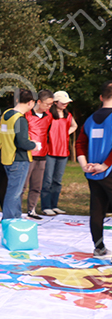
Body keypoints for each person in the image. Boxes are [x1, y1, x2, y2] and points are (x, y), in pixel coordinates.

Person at [74, 81, 112, 259]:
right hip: (107, 170)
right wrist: (105, 164)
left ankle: (99, 248)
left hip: (92, 172)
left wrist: (84, 165)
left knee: (97, 210)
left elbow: (80, 143)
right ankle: (99, 248)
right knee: (98, 210)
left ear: (100, 97)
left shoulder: (90, 119)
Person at [0, 89, 40, 221]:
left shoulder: (5, 115)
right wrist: (35, 145)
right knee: (15, 193)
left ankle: (13, 218)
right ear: (31, 102)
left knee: (13, 190)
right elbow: (22, 142)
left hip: (6, 156)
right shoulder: (20, 119)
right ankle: (11, 220)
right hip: (18, 159)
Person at [42, 90, 78, 215]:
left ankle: (54, 205)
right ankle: (46, 206)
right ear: (55, 102)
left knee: (57, 180)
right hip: (50, 150)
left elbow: (74, 126)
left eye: (66, 102)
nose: (65, 104)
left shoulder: (68, 115)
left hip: (63, 151)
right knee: (47, 180)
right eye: (63, 102)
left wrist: (65, 134)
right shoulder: (48, 114)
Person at [23, 90, 54, 219]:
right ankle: (16, 210)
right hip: (28, 154)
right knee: (23, 185)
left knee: (37, 185)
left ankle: (32, 209)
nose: (49, 107)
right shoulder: (26, 115)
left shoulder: (49, 116)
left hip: (42, 155)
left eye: (51, 104)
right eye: (47, 104)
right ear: (39, 102)